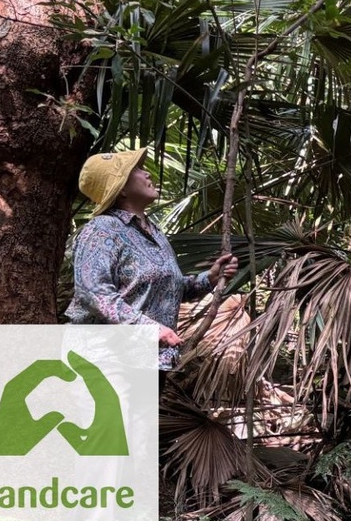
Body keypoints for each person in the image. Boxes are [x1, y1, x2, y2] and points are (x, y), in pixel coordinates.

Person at [65, 148, 238, 372]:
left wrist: (210, 278)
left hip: (149, 361)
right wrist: (147, 328)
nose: (147, 173)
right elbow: (94, 293)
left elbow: (167, 290)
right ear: (122, 189)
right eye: (136, 169)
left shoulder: (154, 232)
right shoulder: (102, 229)